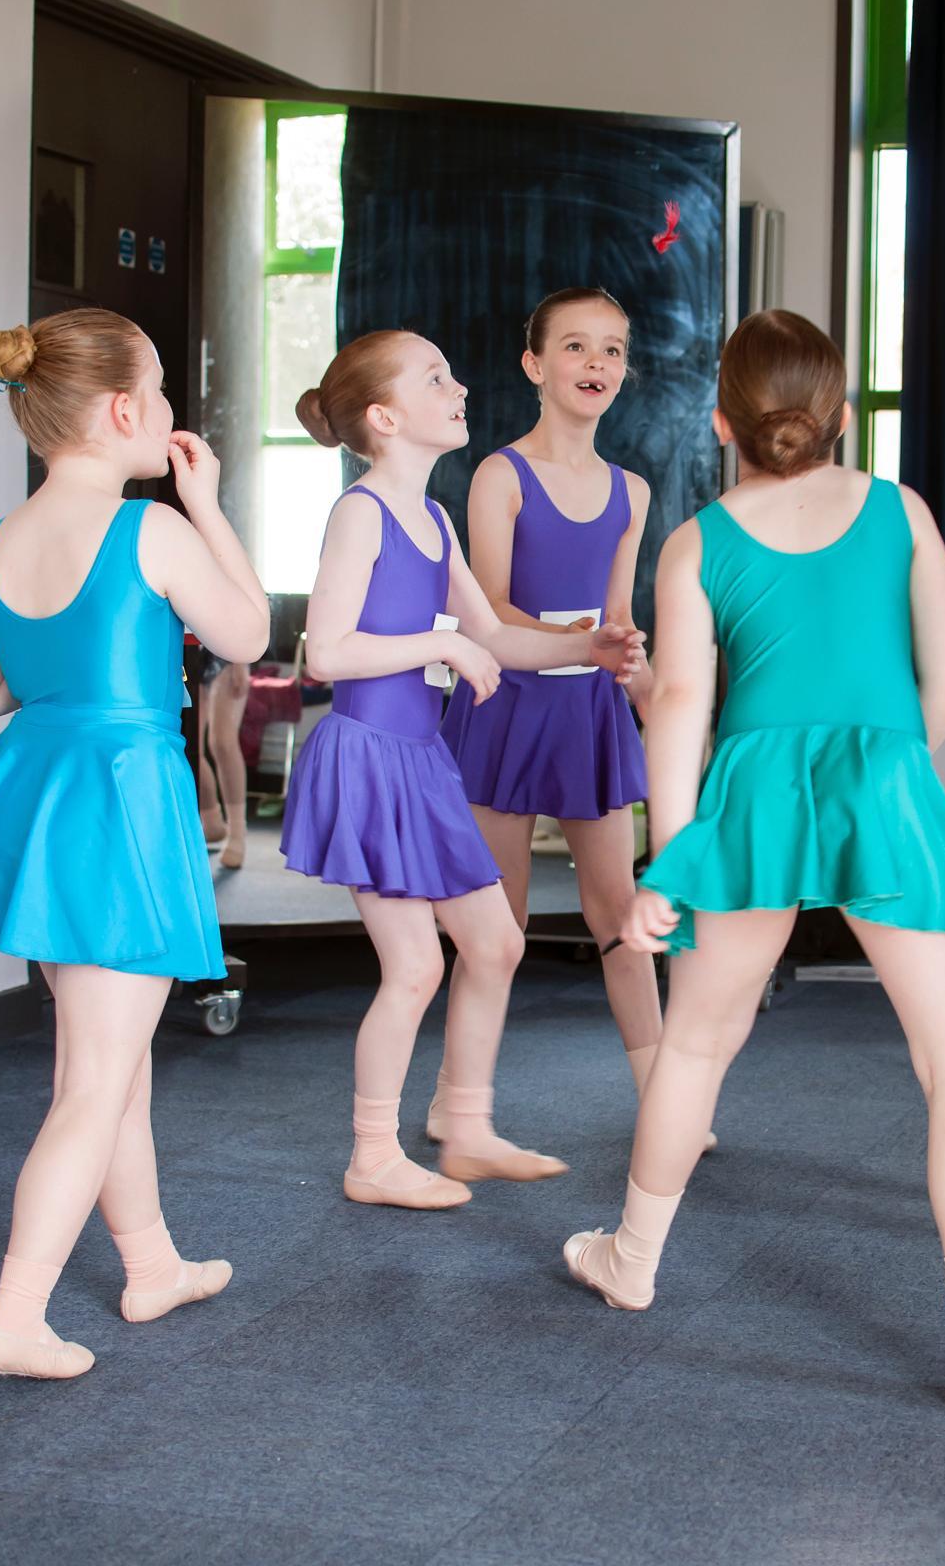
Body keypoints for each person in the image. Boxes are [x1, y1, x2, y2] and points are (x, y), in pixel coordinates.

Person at [563, 309, 945, 1415]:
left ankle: (630, 1258)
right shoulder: (899, 510)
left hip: (752, 793)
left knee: (696, 1042)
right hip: (883, 782)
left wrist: (669, 860)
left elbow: (680, 704)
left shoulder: (696, 542)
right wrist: (883, 771)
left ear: (722, 423)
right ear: (840, 414)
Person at [280, 330, 644, 1212]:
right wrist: (438, 644)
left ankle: (466, 1127)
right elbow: (326, 654)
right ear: (383, 418)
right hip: (366, 760)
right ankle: (373, 1157)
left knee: (496, 943)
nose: (460, 388)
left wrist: (587, 648)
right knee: (415, 968)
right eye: (436, 378)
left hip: (420, 762)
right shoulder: (361, 513)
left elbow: (494, 636)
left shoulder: (435, 521)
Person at [0, 309, 269, 1380]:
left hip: (38, 788)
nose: (171, 408)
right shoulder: (149, 528)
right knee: (94, 1077)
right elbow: (247, 634)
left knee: (111, 1058)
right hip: (120, 798)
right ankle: (16, 1318)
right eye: (160, 385)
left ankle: (151, 1265)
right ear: (121, 410)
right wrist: (208, 504)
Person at [435, 288, 708, 1144]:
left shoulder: (632, 491)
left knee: (621, 915)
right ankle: (455, 1104)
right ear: (535, 365)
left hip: (589, 714)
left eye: (613, 350)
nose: (597, 363)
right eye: (577, 347)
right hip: (507, 707)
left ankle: (664, 1100)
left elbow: (617, 622)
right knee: (499, 927)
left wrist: (655, 700)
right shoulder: (500, 474)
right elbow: (492, 611)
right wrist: (583, 644)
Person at [198, 655, 250, 868]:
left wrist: (240, 663)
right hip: (189, 653)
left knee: (223, 743)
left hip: (225, 653)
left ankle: (237, 832)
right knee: (189, 746)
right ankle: (211, 820)